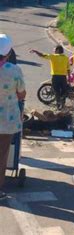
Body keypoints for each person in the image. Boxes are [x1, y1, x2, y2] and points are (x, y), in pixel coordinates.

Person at [0, 34, 26, 200]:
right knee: (2, 155)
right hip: (6, 121)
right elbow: (22, 94)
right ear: (8, 53)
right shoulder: (14, 70)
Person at [30, 45, 69, 110]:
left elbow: (42, 55)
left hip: (55, 77)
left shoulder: (53, 56)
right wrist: (69, 77)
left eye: (54, 50)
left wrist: (35, 51)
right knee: (63, 91)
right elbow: (68, 69)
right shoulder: (66, 58)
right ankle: (62, 104)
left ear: (57, 50)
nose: (53, 51)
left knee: (57, 92)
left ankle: (58, 106)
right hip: (63, 77)